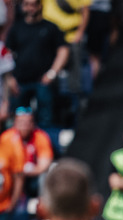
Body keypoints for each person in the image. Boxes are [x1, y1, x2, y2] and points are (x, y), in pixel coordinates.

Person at [5, 0, 68, 128]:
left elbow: (63, 51)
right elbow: (6, 54)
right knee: (19, 121)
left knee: (46, 119)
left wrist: (52, 74)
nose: (30, 8)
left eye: (33, 4)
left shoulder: (50, 27)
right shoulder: (16, 29)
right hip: (20, 82)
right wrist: (10, 79)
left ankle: (44, 144)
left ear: (40, 5)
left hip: (43, 81)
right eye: (27, 5)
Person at [1, 107, 53, 198]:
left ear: (33, 124)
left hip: (31, 175)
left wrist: (26, 171)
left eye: (27, 122)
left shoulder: (40, 136)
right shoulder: (6, 137)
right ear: (15, 124)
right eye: (21, 122)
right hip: (11, 175)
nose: (24, 126)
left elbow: (44, 164)